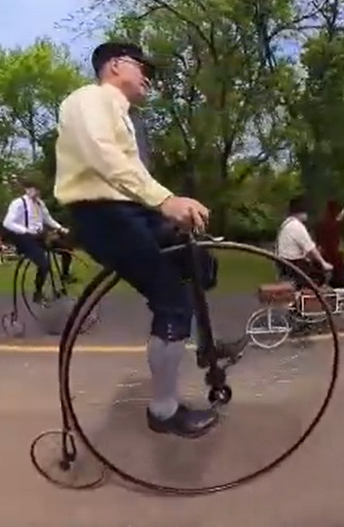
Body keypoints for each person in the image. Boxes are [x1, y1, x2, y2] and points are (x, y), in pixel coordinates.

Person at [53, 41, 219, 438]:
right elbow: (104, 157)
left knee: (199, 263)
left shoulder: (127, 114)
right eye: (141, 67)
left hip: (131, 212)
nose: (147, 76)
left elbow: (131, 170)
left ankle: (209, 346)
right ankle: (163, 413)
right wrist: (165, 200)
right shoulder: (89, 99)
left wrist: (166, 205)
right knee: (172, 303)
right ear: (114, 66)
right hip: (104, 215)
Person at [2, 180, 70, 303]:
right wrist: (25, 230)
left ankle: (65, 276)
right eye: (32, 189)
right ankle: (37, 293)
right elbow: (7, 223)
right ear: (26, 189)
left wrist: (60, 228)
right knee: (44, 265)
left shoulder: (40, 204)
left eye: (37, 189)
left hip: (40, 236)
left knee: (66, 249)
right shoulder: (18, 203)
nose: (35, 192)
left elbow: (48, 219)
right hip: (25, 239)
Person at [276, 195, 332, 287]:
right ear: (300, 213)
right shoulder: (297, 226)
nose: (307, 215)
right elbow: (311, 249)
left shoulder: (287, 223)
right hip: (294, 265)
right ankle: (314, 296)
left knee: (313, 265)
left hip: (284, 263)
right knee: (320, 274)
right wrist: (324, 263)